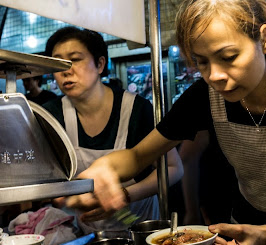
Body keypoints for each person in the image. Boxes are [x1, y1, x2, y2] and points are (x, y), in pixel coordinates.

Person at [59, 0, 266, 245]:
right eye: (202, 62)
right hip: (245, 233)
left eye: (228, 56)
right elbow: (139, 155)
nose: (215, 75)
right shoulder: (206, 95)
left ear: (263, 39)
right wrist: (106, 168)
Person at [43, 26, 183, 234]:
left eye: (75, 59)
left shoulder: (136, 110)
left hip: (142, 230)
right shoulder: (52, 116)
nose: (66, 70)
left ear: (100, 64)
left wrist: (126, 195)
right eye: (57, 62)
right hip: (87, 236)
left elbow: (173, 169)